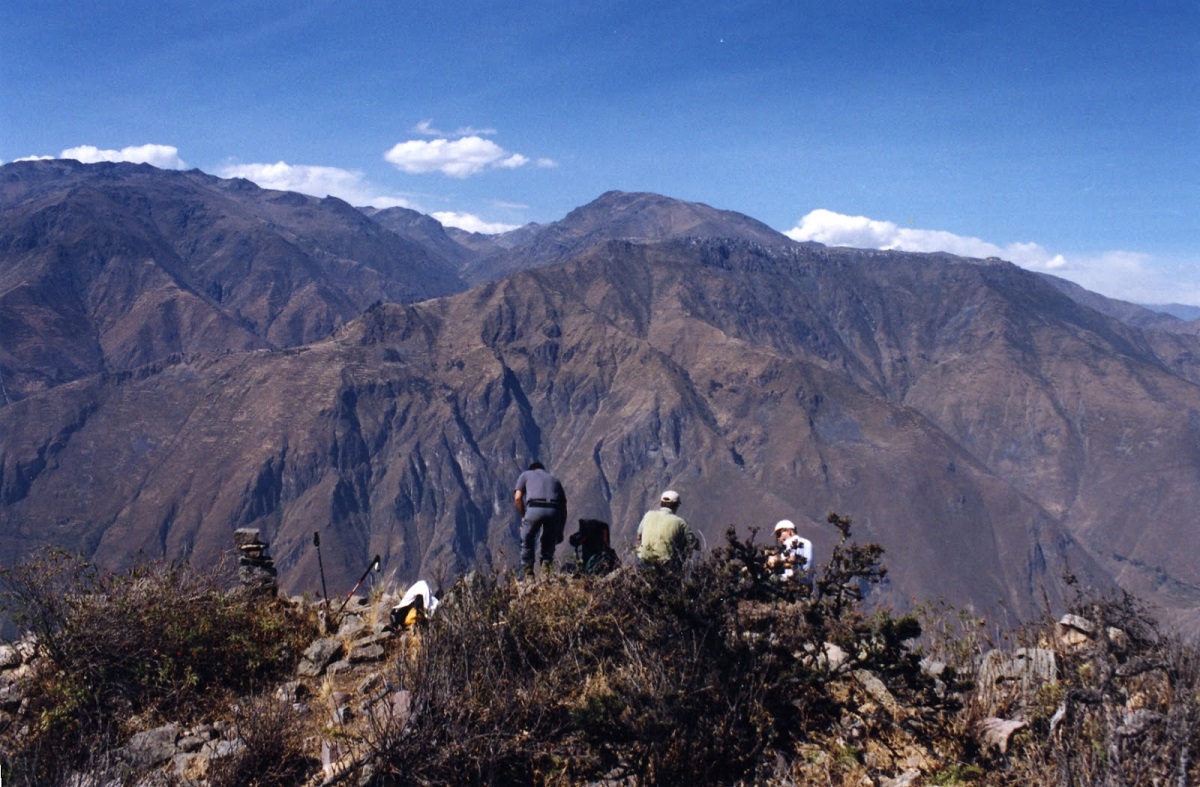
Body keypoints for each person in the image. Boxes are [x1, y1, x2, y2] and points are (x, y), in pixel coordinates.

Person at [513, 461, 567, 578]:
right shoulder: (555, 479)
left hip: (534, 508)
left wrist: (524, 515)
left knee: (527, 539)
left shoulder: (525, 475)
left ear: (531, 469)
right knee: (549, 540)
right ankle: (546, 568)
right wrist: (560, 531)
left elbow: (517, 498)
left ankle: (529, 574)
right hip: (554, 509)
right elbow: (563, 508)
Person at [635, 490, 698, 565]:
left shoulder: (648, 515)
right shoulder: (681, 523)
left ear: (661, 503)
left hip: (643, 561)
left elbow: (639, 537)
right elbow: (692, 543)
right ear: (676, 506)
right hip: (666, 564)